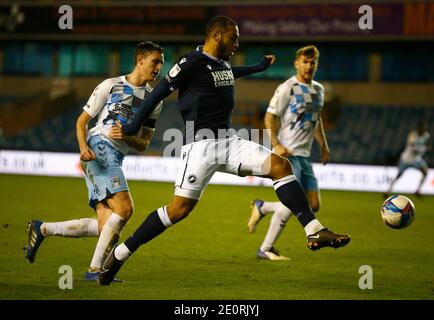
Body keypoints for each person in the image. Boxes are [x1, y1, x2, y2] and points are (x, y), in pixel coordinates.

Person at [98, 16, 350, 286]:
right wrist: (133, 126)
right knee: (178, 210)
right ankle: (121, 253)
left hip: (230, 142)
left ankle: (314, 230)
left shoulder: (221, 63)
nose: (237, 44)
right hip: (200, 146)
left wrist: (256, 67)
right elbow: (158, 92)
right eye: (234, 38)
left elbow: (230, 73)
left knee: (280, 166)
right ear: (216, 35)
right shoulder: (190, 62)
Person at [25, 41, 165, 281]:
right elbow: (82, 121)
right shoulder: (111, 85)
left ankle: (43, 228)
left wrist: (128, 137)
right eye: (155, 62)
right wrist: (82, 147)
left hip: (117, 156)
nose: (159, 68)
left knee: (106, 225)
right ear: (140, 60)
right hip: (98, 147)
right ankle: (95, 271)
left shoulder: (154, 100)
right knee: (125, 208)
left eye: (162, 63)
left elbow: (144, 143)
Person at [247, 45, 330, 261]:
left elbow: (316, 118)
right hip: (289, 154)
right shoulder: (288, 88)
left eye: (312, 62)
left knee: (313, 205)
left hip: (305, 155)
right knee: (293, 204)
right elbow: (270, 116)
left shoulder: (319, 90)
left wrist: (323, 144)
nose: (309, 66)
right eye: (305, 61)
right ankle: (266, 248)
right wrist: (276, 143)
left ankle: (262, 207)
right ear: (296, 63)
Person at [385, 121, 431, 198]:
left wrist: (423, 148)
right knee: (399, 175)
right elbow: (413, 147)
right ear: (418, 128)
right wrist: (425, 148)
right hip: (406, 159)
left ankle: (418, 190)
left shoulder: (426, 135)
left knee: (425, 172)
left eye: (424, 128)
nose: (423, 130)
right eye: (422, 128)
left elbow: (422, 145)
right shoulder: (413, 135)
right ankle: (388, 190)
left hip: (416, 159)